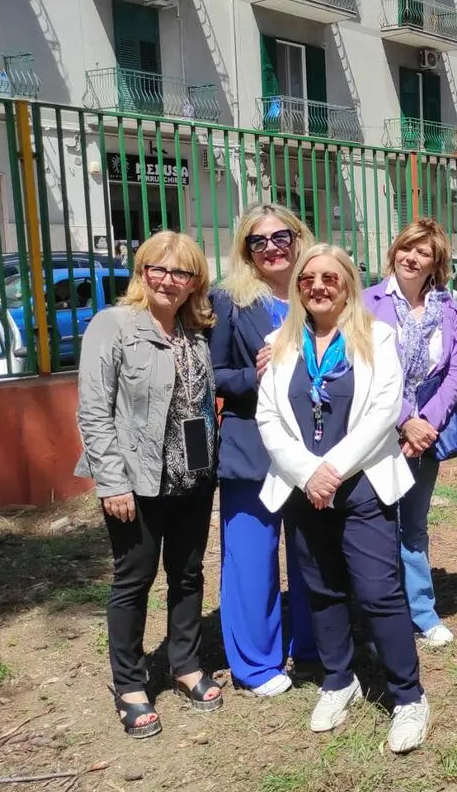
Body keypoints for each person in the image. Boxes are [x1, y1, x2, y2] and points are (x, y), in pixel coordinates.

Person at [256, 244, 429, 752]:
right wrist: (309, 473)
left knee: (378, 592)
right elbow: (268, 419)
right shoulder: (279, 343)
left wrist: (331, 471)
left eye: (330, 277)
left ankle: (409, 696)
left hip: (362, 485)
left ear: (348, 284)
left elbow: (383, 412)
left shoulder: (379, 337)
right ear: (298, 288)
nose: (318, 285)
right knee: (323, 589)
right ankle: (338, 680)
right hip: (302, 488)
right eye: (308, 278)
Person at [75, 231, 223, 738]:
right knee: (133, 579)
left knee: (187, 574)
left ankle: (184, 664)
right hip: (138, 479)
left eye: (180, 272)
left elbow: (200, 405)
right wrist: (111, 481)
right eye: (157, 269)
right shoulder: (113, 325)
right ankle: (130, 683)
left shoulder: (195, 330)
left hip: (194, 476)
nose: (168, 279)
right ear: (142, 272)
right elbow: (94, 411)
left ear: (193, 282)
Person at [210, 203, 317, 697]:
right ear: (246, 250)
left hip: (312, 448)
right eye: (259, 241)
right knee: (251, 556)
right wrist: (254, 374)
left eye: (281, 237)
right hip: (252, 447)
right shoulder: (231, 300)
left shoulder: (317, 291)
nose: (272, 248)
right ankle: (255, 664)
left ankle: (312, 644)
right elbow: (211, 375)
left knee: (310, 550)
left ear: (298, 238)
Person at [364, 218, 457, 649]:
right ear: (395, 251)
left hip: (424, 435)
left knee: (414, 525)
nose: (412, 257)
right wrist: (405, 418)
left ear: (435, 263)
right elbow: (365, 367)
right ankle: (378, 615)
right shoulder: (366, 303)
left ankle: (422, 611)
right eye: (407, 248)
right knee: (375, 527)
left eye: (423, 253)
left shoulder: (450, 309)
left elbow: (456, 374)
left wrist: (425, 424)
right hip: (375, 428)